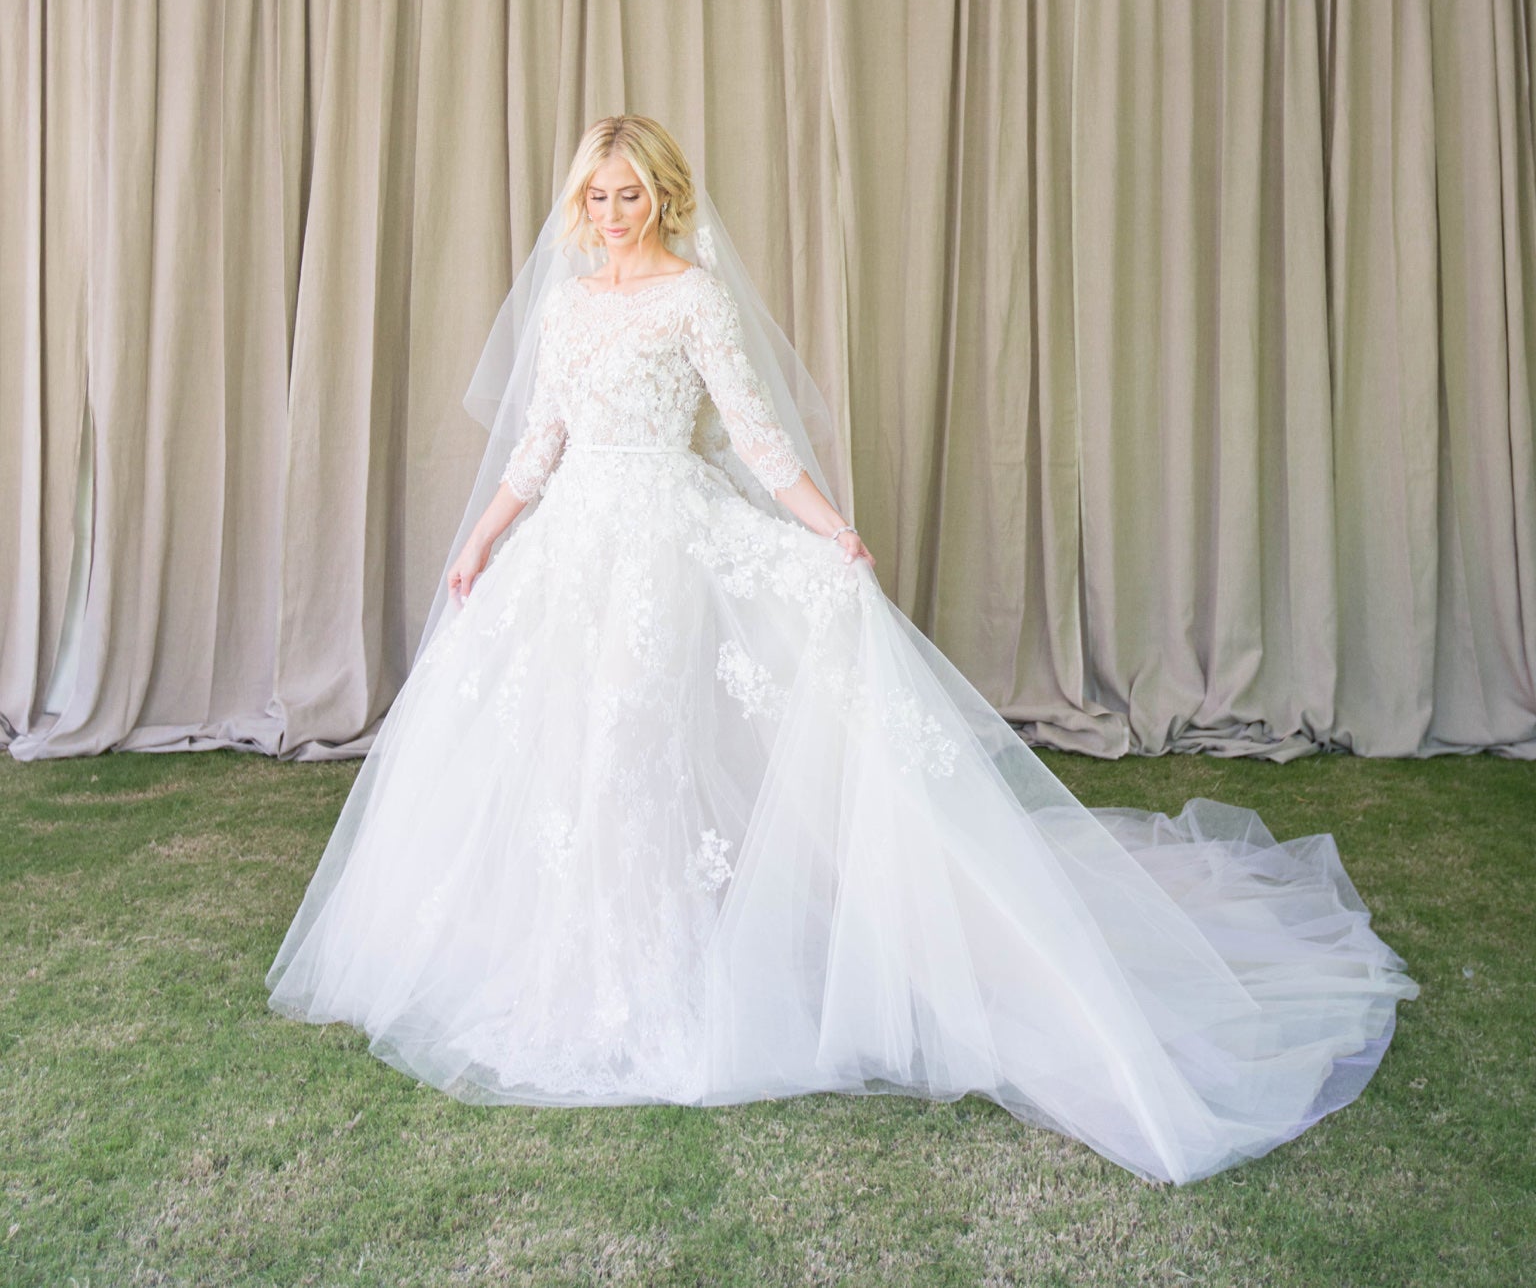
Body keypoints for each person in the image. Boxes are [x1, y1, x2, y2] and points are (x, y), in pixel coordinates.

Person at [267, 114, 1416, 1185]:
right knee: (566, 759)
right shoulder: (565, 307)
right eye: (596, 196)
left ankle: (656, 990)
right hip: (572, 548)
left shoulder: (695, 295)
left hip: (665, 543)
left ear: (663, 195)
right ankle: (577, 978)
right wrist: (477, 544)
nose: (613, 212)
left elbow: (761, 441)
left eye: (629, 194)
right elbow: (537, 444)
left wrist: (829, 527)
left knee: (633, 750)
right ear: (579, 203)